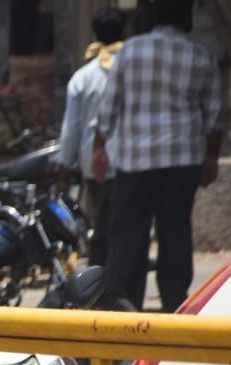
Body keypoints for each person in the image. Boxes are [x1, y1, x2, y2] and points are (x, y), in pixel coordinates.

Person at [92, 0, 224, 313]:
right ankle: (175, 305)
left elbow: (109, 107)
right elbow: (215, 117)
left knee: (129, 236)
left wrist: (99, 147)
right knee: (175, 232)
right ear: (187, 17)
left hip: (135, 161)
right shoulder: (199, 54)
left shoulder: (131, 51)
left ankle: (125, 308)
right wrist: (211, 158)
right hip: (182, 160)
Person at [55, 6, 125, 268]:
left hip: (94, 165)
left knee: (99, 227)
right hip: (131, 164)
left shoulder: (82, 78)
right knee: (124, 228)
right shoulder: (132, 70)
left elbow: (71, 128)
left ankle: (100, 283)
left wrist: (65, 165)